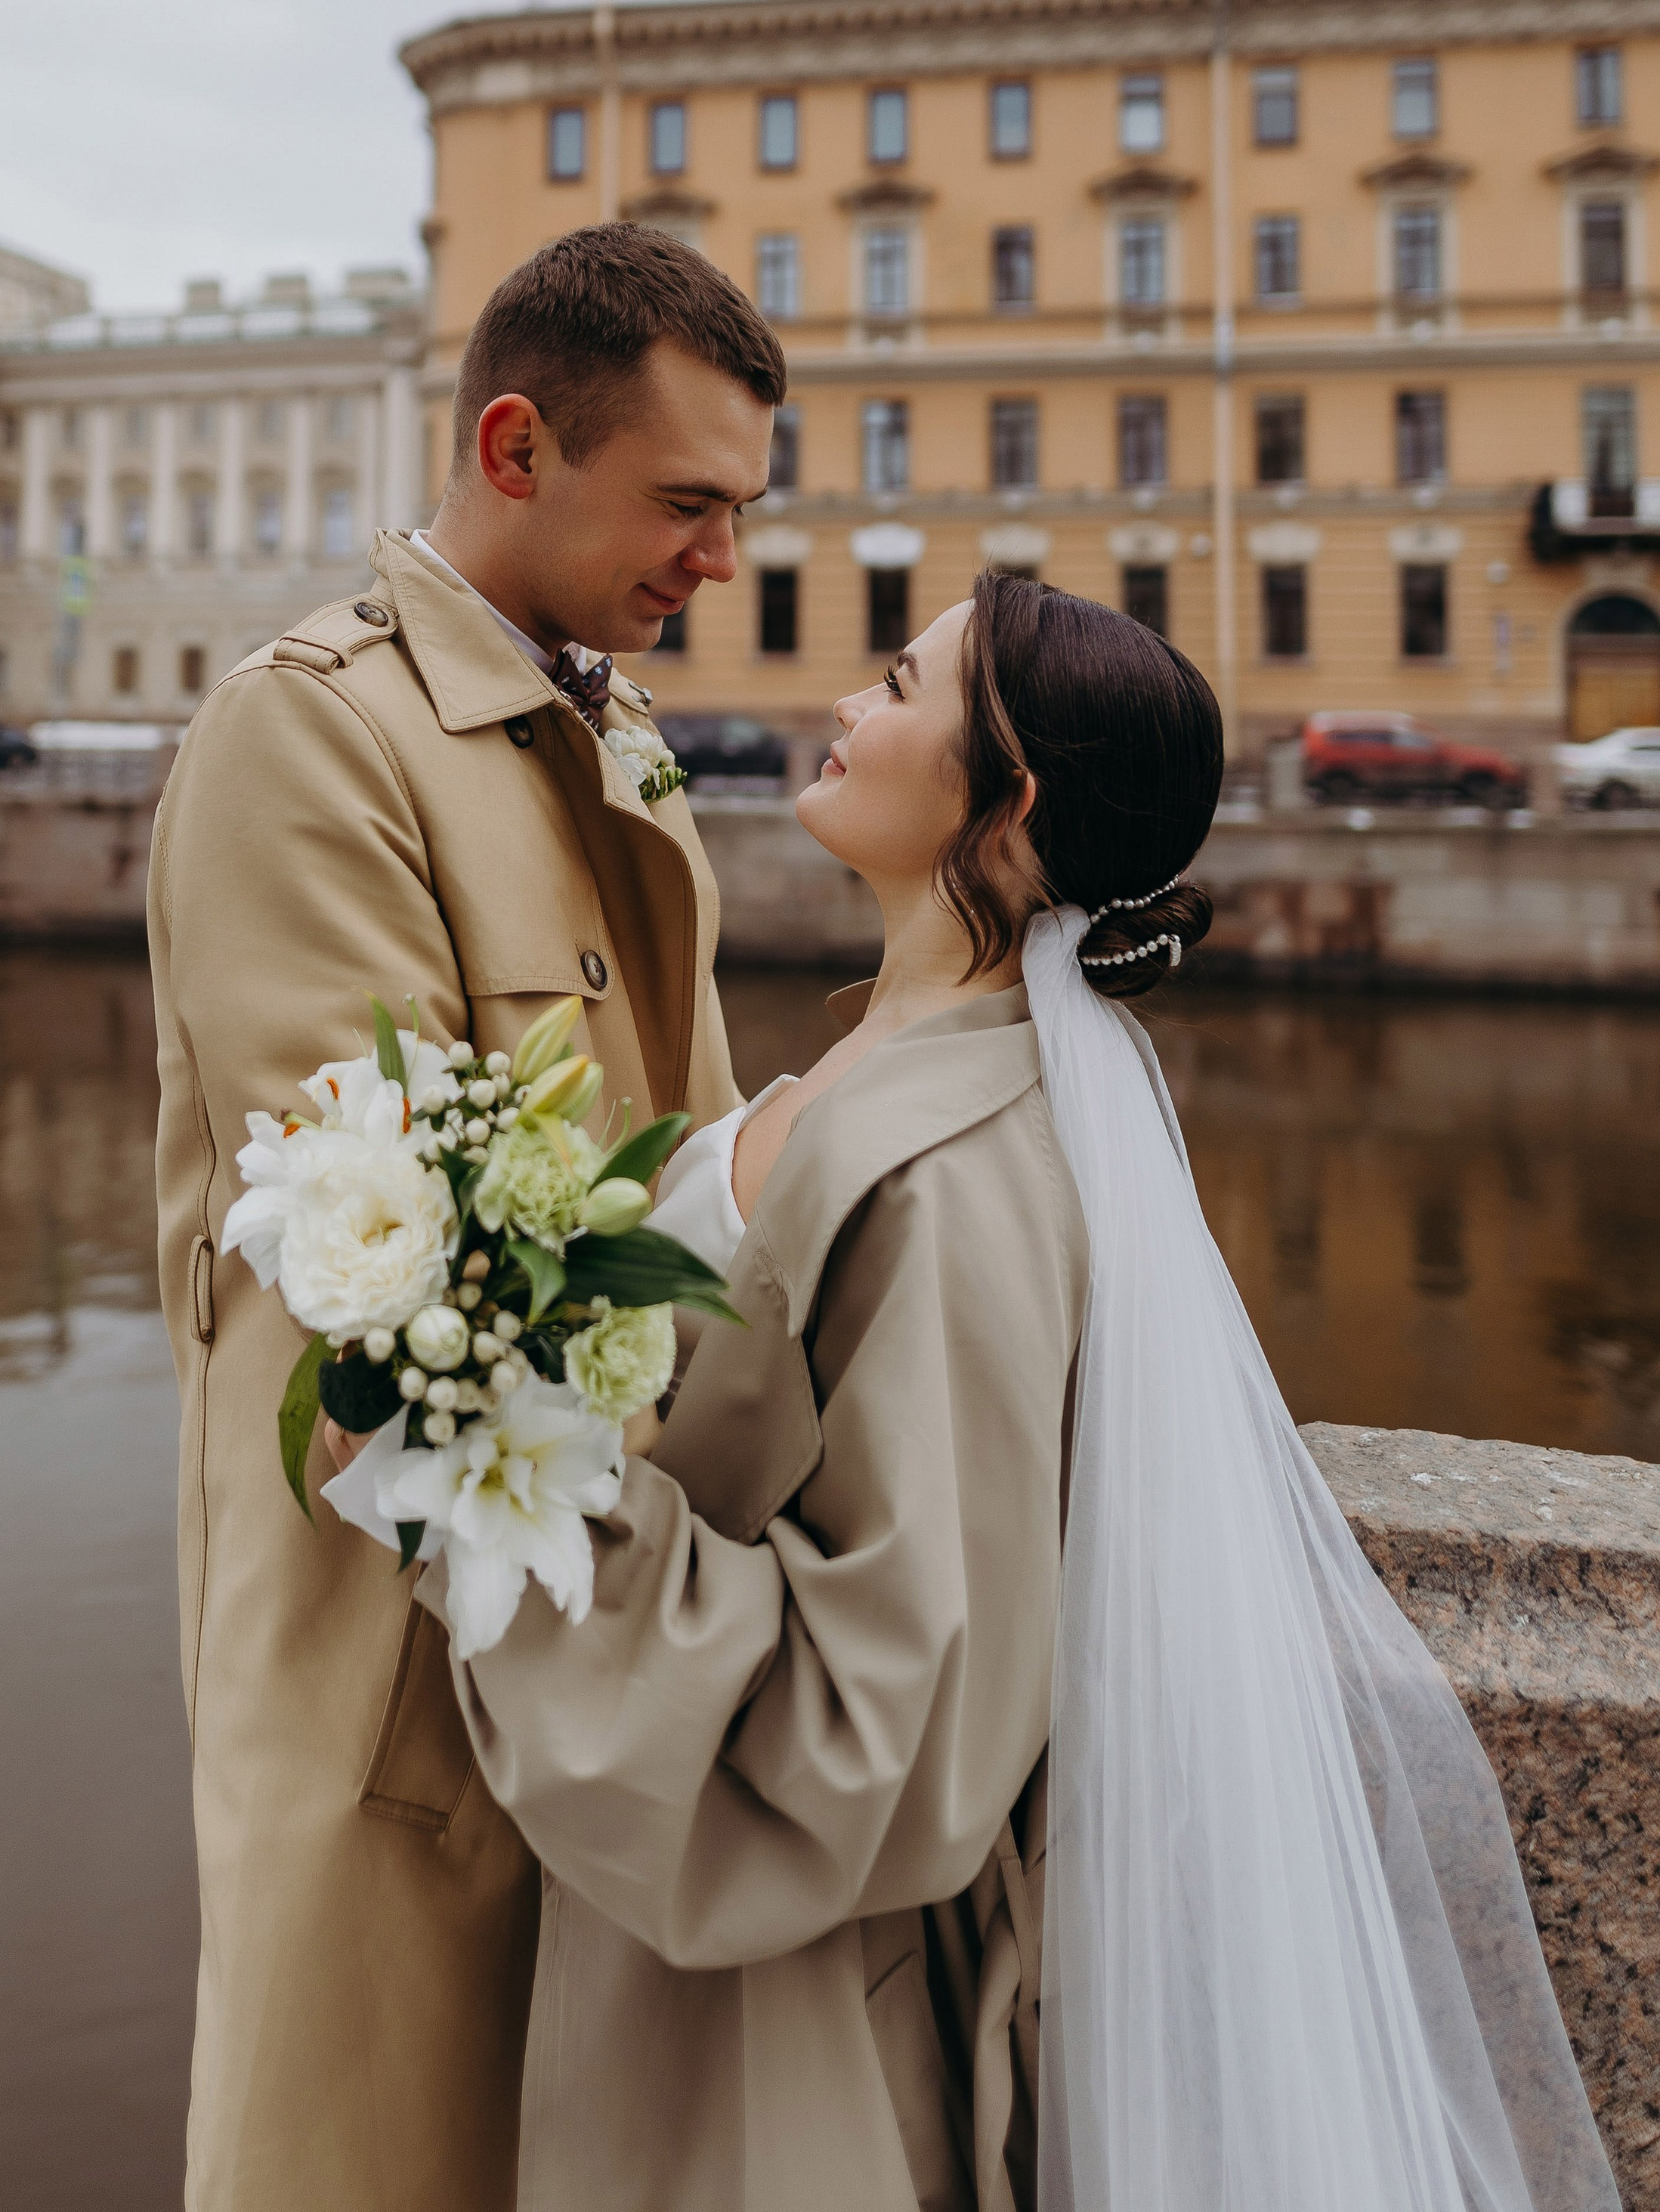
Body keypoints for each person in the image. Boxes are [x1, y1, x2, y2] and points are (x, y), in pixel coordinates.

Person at [387, 575, 1617, 2212]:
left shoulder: (951, 1176)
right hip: (678, 1945)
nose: (844, 703)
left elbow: (883, 1744)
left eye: (897, 682)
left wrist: (492, 1460)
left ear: (1006, 795)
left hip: (781, 2028)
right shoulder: (897, 1062)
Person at [149, 224, 786, 2212]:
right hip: (394, 1683)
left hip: (609, 1634)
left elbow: (699, 1174)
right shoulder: (310, 734)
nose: (725, 561)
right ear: (519, 446)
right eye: (689, 504)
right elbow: (401, 1264)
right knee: (358, 2155)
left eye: (742, 511)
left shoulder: (604, 730)